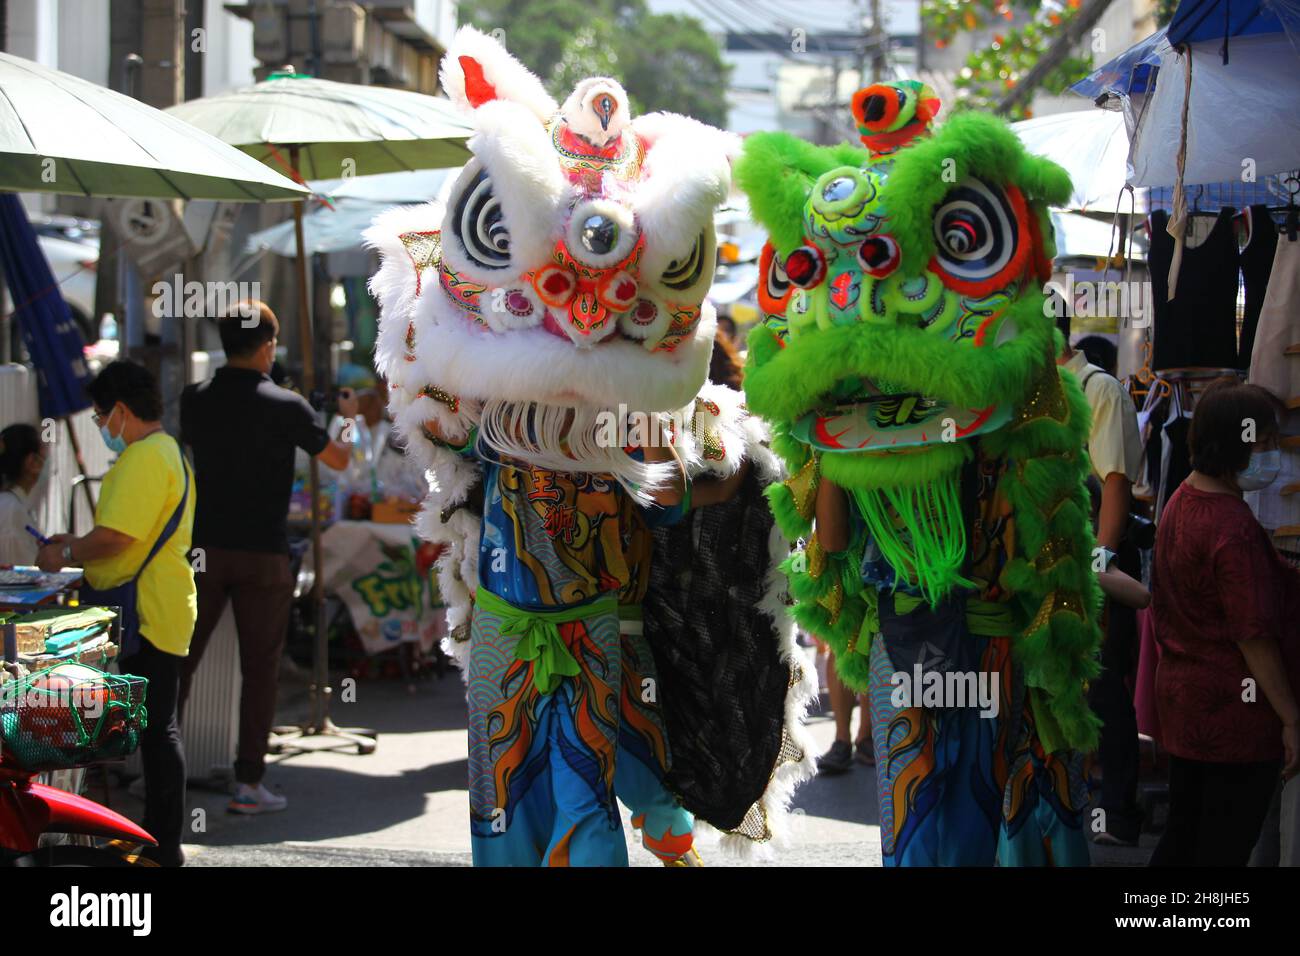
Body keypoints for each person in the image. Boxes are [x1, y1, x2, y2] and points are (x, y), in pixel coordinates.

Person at [178, 300, 354, 815]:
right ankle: (248, 783)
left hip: (204, 550)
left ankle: (158, 771)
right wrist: (339, 419)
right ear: (268, 346)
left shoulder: (194, 400)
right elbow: (339, 461)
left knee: (181, 662)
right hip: (265, 555)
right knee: (261, 670)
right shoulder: (288, 406)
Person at [36, 360, 196, 867]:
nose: (103, 426)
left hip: (147, 612)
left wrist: (66, 552)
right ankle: (154, 841)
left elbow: (116, 537)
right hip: (160, 606)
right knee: (155, 729)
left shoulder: (146, 457)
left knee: (156, 732)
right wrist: (78, 544)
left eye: (103, 415)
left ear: (122, 412)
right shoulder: (166, 451)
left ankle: (161, 847)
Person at [1149, 382, 1300, 866]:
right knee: (1221, 848)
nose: (1272, 453)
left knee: (1185, 838)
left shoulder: (1181, 500)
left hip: (1184, 702)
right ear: (1240, 442)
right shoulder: (1230, 526)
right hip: (1234, 716)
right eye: (1266, 443)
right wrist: (1292, 718)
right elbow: (1253, 635)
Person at [1058, 317, 1146, 847]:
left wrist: (1101, 564)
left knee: (1106, 686)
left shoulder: (1099, 389)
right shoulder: (1034, 392)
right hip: (1055, 559)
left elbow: (1114, 482)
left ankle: (1117, 810)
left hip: (1096, 557)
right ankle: (1073, 795)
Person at [0, 423, 49, 566]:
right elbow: (20, 575)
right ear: (32, 462)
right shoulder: (11, 510)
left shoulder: (12, 504)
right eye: (44, 456)